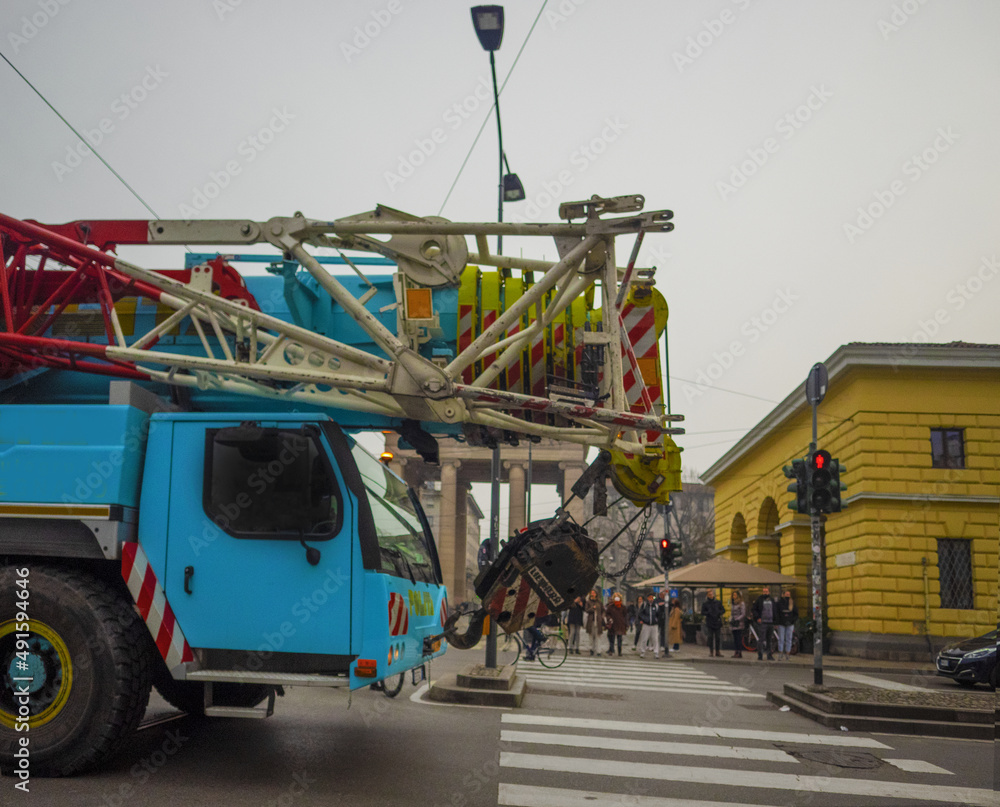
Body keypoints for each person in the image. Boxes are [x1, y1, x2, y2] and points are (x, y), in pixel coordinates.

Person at [752, 586, 776, 661]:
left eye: (766, 591)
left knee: (769, 639)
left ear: (769, 592)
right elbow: (754, 609)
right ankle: (760, 654)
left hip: (771, 622)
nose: (765, 593)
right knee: (761, 639)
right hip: (763, 622)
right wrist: (757, 618)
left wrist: (775, 621)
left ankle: (769, 655)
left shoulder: (772, 600)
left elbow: (775, 610)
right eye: (764, 591)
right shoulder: (759, 599)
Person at [700, 589, 725, 657]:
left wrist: (719, 612)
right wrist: (708, 613)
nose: (711, 595)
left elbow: (723, 610)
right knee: (710, 637)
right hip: (710, 622)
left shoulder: (718, 602)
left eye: (712, 594)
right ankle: (711, 651)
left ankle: (717, 651)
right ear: (707, 595)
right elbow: (702, 612)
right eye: (709, 594)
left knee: (718, 637)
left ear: (713, 594)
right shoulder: (705, 603)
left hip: (717, 621)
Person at [775, 589, 799, 661]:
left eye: (789, 594)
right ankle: (780, 653)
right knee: (781, 639)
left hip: (790, 623)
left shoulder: (792, 603)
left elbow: (796, 613)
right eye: (786, 594)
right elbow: (777, 613)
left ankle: (788, 653)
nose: (788, 595)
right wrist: (777, 622)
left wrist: (792, 620)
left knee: (789, 639)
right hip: (781, 623)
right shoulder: (779, 603)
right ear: (783, 594)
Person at [636, 594, 661, 658]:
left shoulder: (656, 605)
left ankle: (656, 652)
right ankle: (643, 651)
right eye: (649, 597)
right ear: (647, 598)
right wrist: (644, 619)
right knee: (644, 639)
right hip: (646, 624)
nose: (651, 599)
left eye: (652, 598)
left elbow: (659, 614)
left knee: (655, 639)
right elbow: (640, 613)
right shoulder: (644, 605)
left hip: (654, 625)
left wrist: (657, 620)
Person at [584, 589, 604, 656]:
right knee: (591, 636)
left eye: (594, 593)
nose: (592, 594)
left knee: (598, 636)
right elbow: (586, 610)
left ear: (596, 594)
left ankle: (599, 651)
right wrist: (593, 608)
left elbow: (603, 610)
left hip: (598, 622)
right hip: (591, 621)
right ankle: (592, 649)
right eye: (591, 593)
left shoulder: (599, 602)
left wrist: (602, 617)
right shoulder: (588, 602)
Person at [729, 590, 746, 658]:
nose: (734, 596)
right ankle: (736, 652)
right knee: (735, 638)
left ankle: (739, 652)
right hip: (733, 624)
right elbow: (731, 614)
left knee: (738, 638)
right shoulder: (732, 604)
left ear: (738, 596)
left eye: (735, 595)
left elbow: (743, 614)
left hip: (739, 623)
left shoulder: (741, 603)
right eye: (733, 595)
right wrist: (730, 619)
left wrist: (737, 619)